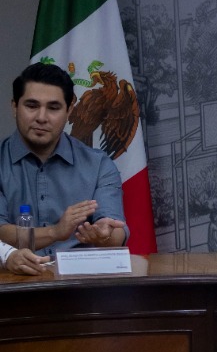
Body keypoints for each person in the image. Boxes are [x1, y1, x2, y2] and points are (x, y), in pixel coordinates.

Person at [0, 61, 127, 252]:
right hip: (13, 271)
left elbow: (116, 232)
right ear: (15, 107)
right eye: (32, 106)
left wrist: (104, 234)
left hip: (79, 271)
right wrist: (55, 232)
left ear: (69, 111)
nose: (41, 117)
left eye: (53, 108)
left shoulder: (99, 164)